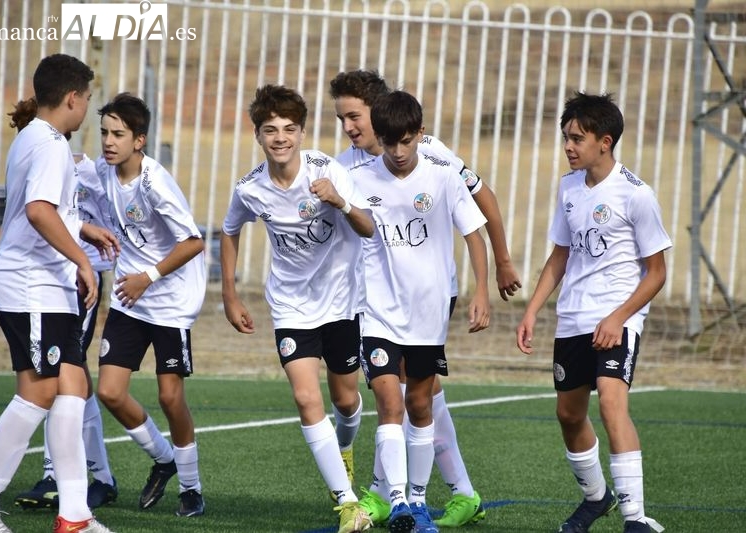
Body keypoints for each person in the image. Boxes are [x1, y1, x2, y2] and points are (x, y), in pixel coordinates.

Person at [329, 69, 516, 528]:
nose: (350, 128)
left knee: (420, 395)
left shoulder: (432, 156)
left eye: (355, 117)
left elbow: (479, 198)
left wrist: (502, 262)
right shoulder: (346, 168)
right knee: (399, 395)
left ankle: (424, 494)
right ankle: (406, 496)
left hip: (433, 295)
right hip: (377, 302)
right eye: (342, 119)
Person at [0, 53, 117, 533]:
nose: (86, 107)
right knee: (41, 390)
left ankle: (75, 516)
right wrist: (83, 261)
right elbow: (40, 212)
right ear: (73, 97)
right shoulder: (48, 145)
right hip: (34, 287)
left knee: (72, 386)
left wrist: (83, 231)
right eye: (87, 99)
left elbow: (24, 216)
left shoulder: (34, 139)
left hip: (40, 285)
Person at [220, 84, 374, 533]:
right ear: (258, 135)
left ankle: (345, 451)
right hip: (290, 307)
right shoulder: (250, 189)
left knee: (345, 399)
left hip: (342, 301)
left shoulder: (328, 170)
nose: (280, 137)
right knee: (307, 397)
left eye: (289, 128)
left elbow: (367, 228)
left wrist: (340, 201)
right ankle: (348, 503)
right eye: (270, 130)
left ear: (303, 133)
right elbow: (230, 232)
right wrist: (230, 294)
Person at [515, 92, 670, 533]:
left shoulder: (636, 195)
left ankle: (635, 519)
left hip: (617, 318)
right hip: (574, 318)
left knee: (612, 404)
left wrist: (619, 317)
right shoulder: (568, 186)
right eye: (566, 137)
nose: (568, 146)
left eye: (577, 139)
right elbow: (560, 255)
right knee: (569, 415)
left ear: (605, 141)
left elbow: (657, 273)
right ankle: (595, 497)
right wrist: (532, 312)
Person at [93, 92, 207, 518]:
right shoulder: (103, 173)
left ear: (139, 140)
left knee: (169, 396)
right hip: (129, 300)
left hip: (169, 302)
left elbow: (194, 241)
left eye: (118, 134)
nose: (108, 141)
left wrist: (148, 278)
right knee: (109, 391)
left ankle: (192, 489)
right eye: (104, 132)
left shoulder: (154, 182)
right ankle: (164, 459)